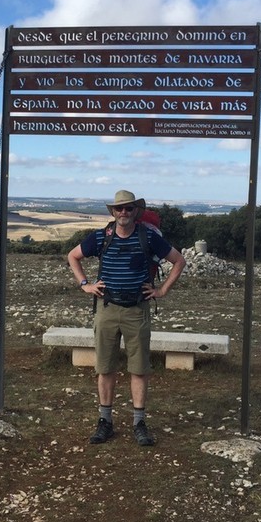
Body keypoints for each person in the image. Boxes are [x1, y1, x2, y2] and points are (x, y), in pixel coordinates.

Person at [67, 190, 186, 446]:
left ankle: (139, 423)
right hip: (107, 308)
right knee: (105, 367)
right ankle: (105, 421)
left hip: (137, 309)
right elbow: (73, 256)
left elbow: (178, 260)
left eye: (129, 209)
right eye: (119, 208)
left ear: (135, 212)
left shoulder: (148, 237)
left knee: (139, 368)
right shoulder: (100, 237)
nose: (124, 213)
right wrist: (85, 284)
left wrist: (162, 290)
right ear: (112, 211)